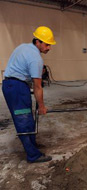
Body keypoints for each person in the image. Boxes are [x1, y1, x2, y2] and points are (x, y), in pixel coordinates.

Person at [2, 26, 56, 163]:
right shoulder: (36, 58)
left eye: (49, 44)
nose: (49, 48)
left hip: (12, 85)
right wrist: (42, 106)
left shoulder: (23, 47)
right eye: (47, 44)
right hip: (17, 88)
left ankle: (33, 146)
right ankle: (33, 155)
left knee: (27, 118)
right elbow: (37, 87)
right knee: (24, 121)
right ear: (37, 42)